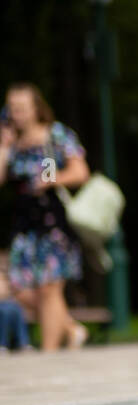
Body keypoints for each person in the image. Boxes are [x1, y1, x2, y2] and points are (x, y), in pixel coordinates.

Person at [0, 83, 90, 351]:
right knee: (18, 287)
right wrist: (4, 146)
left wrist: (51, 180)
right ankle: (71, 329)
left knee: (50, 289)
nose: (16, 113)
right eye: (12, 108)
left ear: (36, 108)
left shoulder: (52, 137)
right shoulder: (12, 143)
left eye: (22, 108)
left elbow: (80, 172)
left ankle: (48, 354)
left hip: (52, 223)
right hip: (24, 225)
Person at [0, 250, 34, 352]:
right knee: (4, 312)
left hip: (6, 302)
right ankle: (2, 343)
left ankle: (23, 342)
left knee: (17, 309)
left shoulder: (4, 276)